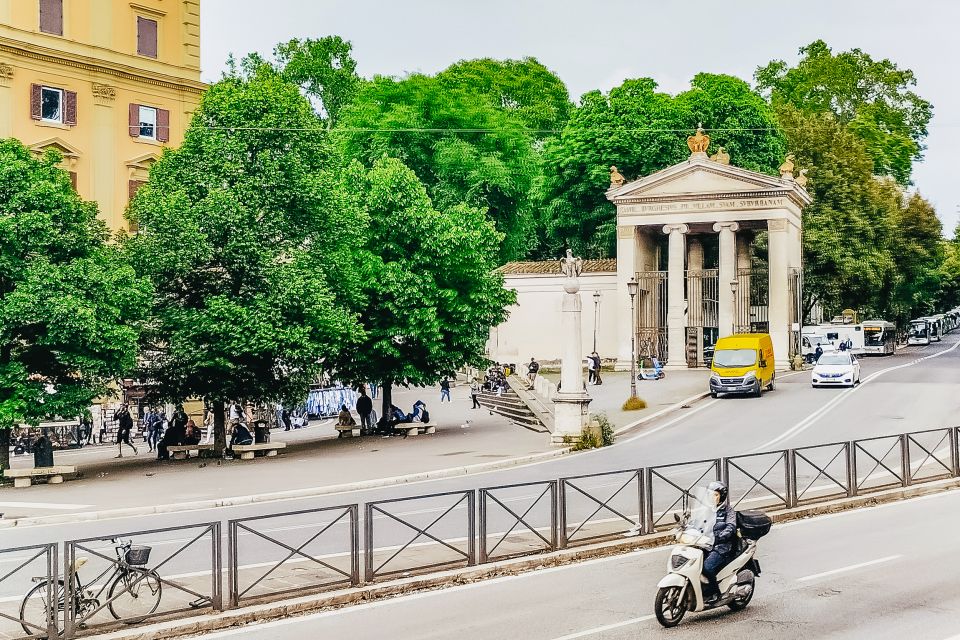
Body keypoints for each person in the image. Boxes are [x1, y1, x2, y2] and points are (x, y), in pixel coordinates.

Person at [703, 480, 737, 604]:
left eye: (715, 495)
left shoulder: (728, 511)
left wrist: (724, 534)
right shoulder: (707, 510)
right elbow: (698, 523)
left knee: (707, 567)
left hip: (722, 546)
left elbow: (731, 526)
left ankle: (714, 592)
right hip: (706, 544)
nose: (712, 497)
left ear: (721, 496)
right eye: (711, 494)